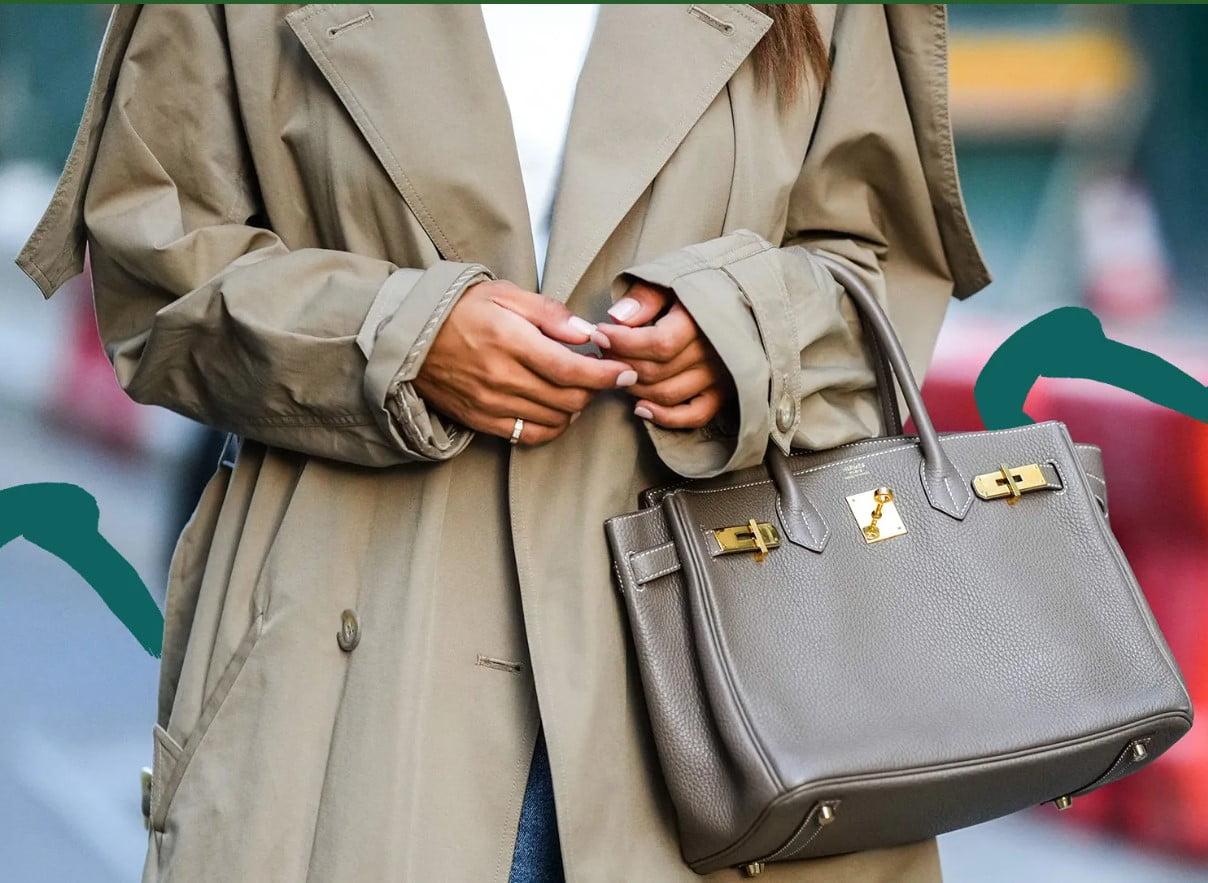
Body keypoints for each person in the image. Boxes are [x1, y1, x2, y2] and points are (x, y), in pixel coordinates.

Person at [17, 4, 989, 880]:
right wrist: (400, 335)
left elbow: (876, 257)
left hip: (728, 679)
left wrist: (742, 332)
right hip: (361, 661)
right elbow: (158, 269)